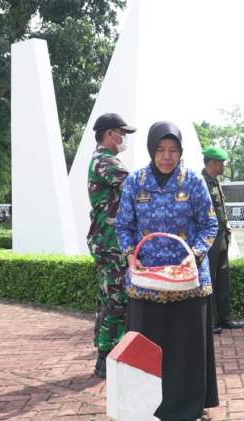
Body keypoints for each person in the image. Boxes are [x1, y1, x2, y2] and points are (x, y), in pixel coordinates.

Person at [116, 121, 219, 421]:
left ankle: (189, 409)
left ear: (181, 152)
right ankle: (146, 407)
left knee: (186, 349)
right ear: (151, 150)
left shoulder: (194, 183)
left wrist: (195, 254)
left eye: (173, 150)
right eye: (160, 150)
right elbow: (123, 225)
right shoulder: (135, 182)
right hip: (146, 282)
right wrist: (130, 253)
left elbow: (209, 225)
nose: (167, 156)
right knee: (145, 349)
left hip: (188, 281)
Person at [87, 112, 136, 378]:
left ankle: (108, 353)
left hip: (108, 241)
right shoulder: (106, 162)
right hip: (110, 241)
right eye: (122, 133)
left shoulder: (103, 160)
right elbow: (136, 185)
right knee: (116, 300)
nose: (124, 138)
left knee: (108, 298)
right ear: (109, 134)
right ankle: (106, 357)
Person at [201, 147, 244, 334]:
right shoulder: (201, 182)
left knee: (223, 278)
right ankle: (209, 321)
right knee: (209, 278)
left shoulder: (214, 182)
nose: (224, 165)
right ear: (211, 162)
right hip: (209, 238)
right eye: (221, 162)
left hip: (222, 236)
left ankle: (225, 318)